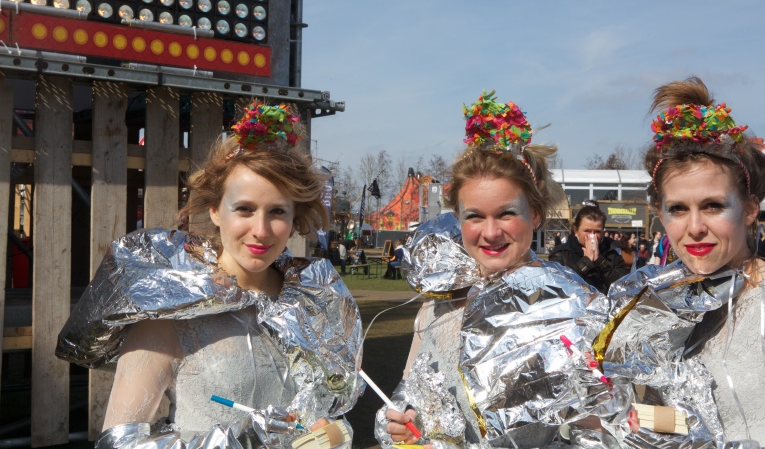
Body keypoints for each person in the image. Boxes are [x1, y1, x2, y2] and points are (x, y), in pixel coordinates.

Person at [57, 102, 363, 448]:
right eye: (244, 209)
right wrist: (240, 441)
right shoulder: (169, 312)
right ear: (216, 210)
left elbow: (329, 412)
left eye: (277, 211)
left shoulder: (315, 306)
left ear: (295, 217)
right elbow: (119, 443)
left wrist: (335, 433)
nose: (261, 230)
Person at [377, 91, 637, 449]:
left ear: (536, 214)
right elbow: (410, 398)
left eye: (506, 213)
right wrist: (405, 427)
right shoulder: (436, 306)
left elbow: (605, 428)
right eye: (475, 216)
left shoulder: (576, 310)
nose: (490, 232)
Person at [607, 76, 765, 445]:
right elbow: (683, 421)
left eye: (713, 206)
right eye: (678, 209)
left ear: (749, 210)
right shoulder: (647, 302)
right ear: (660, 215)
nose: (695, 228)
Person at [548, 201, 630, 293]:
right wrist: (586, 263)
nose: (592, 236)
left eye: (597, 232)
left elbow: (623, 285)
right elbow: (556, 287)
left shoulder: (611, 252)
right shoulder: (560, 254)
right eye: (587, 231)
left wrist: (600, 261)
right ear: (576, 231)